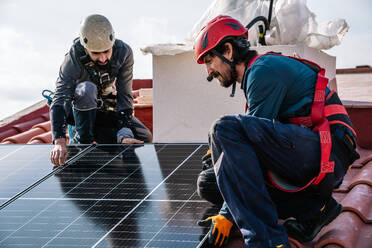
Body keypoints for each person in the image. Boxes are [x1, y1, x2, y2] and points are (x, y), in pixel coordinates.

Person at [194, 15, 360, 248]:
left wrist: (227, 214)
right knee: (210, 182)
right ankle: (314, 209)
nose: (209, 72)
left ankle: (267, 240)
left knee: (222, 130)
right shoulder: (256, 75)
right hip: (305, 153)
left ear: (228, 51)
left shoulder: (263, 71)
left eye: (209, 60)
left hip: (329, 149)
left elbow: (246, 145)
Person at [50, 14, 152, 166]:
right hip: (80, 112)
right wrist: (59, 141)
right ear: (86, 48)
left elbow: (125, 95)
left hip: (104, 109)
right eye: (96, 53)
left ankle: (109, 148)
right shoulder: (73, 59)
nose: (103, 58)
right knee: (86, 89)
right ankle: (82, 142)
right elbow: (59, 100)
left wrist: (124, 134)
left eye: (106, 51)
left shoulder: (123, 53)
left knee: (144, 137)